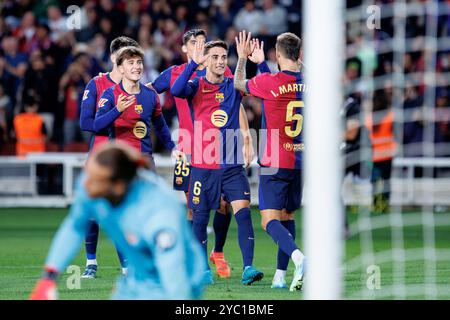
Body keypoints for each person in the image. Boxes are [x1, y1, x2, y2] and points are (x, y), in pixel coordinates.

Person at [151, 29, 267, 279]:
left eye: (223, 57)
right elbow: (176, 90)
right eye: (214, 56)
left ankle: (247, 266)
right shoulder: (191, 82)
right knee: (197, 214)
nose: (219, 61)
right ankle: (200, 267)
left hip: (232, 162)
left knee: (242, 210)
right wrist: (194, 63)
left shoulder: (231, 84)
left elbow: (253, 86)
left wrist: (244, 59)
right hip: (199, 159)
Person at [29, 142, 206, 300]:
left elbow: (175, 279)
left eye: (95, 182)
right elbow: (75, 227)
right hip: (136, 279)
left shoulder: (159, 211)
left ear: (119, 186)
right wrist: (48, 278)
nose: (87, 188)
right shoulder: (94, 183)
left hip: (175, 279)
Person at [233, 31, 306, 291]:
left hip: (275, 160)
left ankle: (299, 258)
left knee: (268, 221)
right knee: (287, 217)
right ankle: (280, 276)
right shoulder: (310, 82)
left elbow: (239, 83)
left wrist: (243, 58)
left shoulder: (271, 83)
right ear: (299, 55)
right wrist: (265, 63)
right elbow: (285, 81)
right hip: (299, 160)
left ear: (277, 54)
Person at [78, 36, 140, 279]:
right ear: (116, 59)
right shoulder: (97, 84)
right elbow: (86, 123)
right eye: (128, 58)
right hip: (101, 158)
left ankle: (128, 266)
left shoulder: (137, 86)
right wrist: (116, 113)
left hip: (127, 160)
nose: (134, 64)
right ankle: (91, 262)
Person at [93, 46, 182, 166]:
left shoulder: (150, 95)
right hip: (121, 160)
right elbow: (97, 125)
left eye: (139, 62)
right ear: (121, 68)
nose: (137, 66)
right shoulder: (110, 94)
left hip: (145, 160)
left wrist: (173, 148)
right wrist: (117, 110)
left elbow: (160, 126)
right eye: (131, 63)